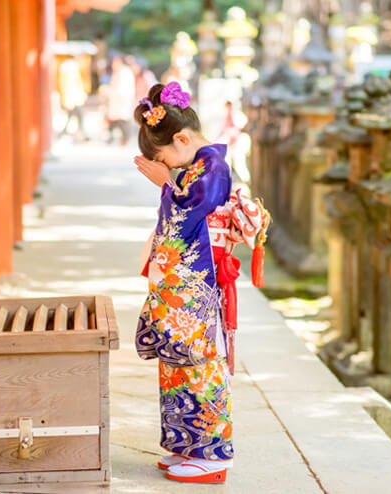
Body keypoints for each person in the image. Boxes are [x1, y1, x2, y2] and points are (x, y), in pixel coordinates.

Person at [133, 82, 270, 484]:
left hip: (199, 284)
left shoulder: (213, 169)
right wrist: (169, 181)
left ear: (182, 138)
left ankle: (212, 455)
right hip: (184, 283)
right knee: (177, 362)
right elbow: (178, 214)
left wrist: (164, 183)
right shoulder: (197, 167)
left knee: (199, 365)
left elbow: (184, 219)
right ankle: (186, 445)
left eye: (167, 158)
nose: (170, 167)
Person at [106, 56, 136, 145]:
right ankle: (113, 138)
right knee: (115, 120)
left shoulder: (124, 72)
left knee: (122, 120)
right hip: (117, 100)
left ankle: (125, 138)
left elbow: (122, 89)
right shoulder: (120, 72)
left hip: (122, 100)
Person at [57, 57, 88, 140]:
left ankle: (67, 132)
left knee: (74, 116)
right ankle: (80, 133)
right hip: (73, 99)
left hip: (75, 98)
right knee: (77, 116)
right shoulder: (71, 69)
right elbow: (67, 86)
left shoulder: (72, 69)